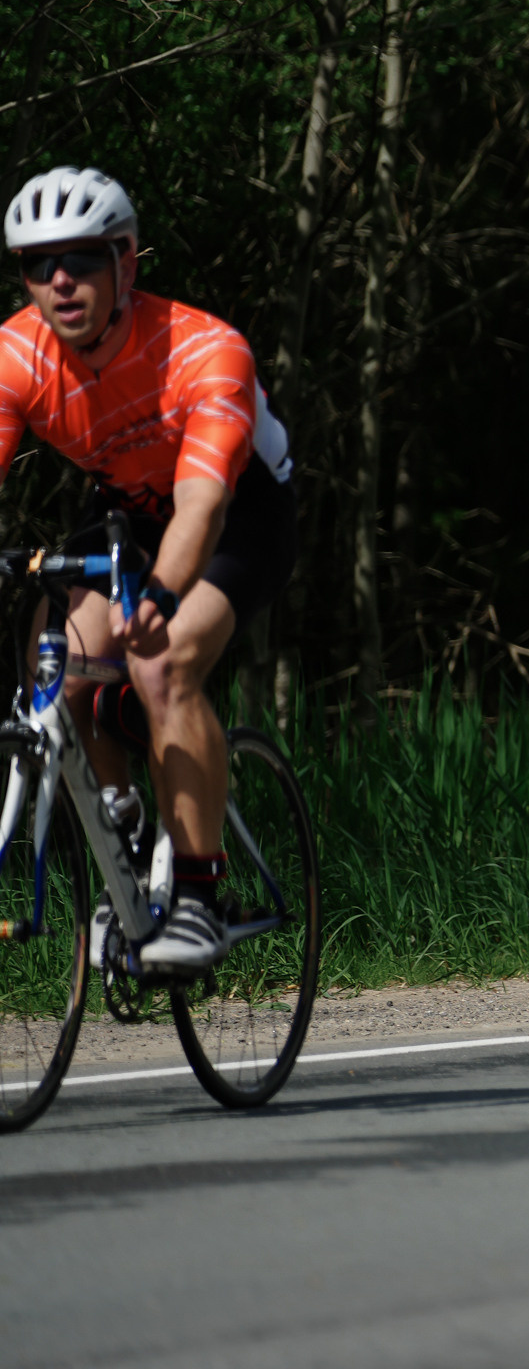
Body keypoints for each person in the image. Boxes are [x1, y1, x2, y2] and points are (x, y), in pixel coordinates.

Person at [1, 166, 297, 971]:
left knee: (161, 664)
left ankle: (199, 898)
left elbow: (200, 509)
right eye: (38, 264)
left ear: (126, 264)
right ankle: (127, 827)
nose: (61, 281)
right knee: (54, 669)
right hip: (127, 510)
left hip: (236, 512)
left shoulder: (204, 350)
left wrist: (163, 595)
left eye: (84, 260)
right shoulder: (16, 356)